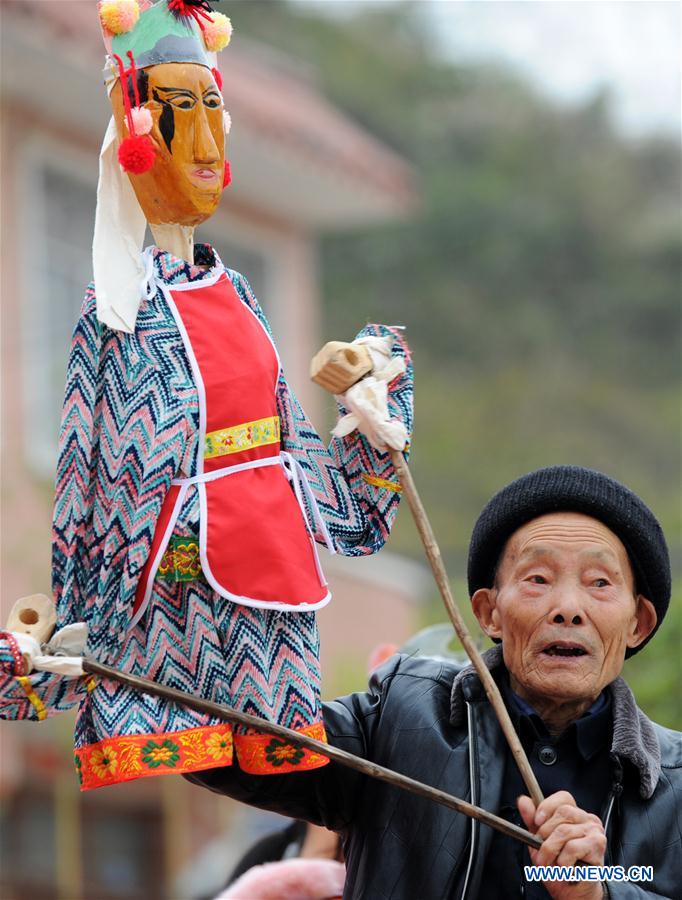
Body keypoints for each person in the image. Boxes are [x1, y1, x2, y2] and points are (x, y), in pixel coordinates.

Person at [0, 0, 412, 790]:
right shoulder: (115, 310)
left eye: (213, 109)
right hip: (170, 570)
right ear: (135, 137)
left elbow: (289, 432)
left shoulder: (240, 290)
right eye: (178, 111)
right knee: (193, 746)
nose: (205, 138)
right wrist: (72, 595)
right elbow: (88, 465)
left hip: (270, 546)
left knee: (293, 768)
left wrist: (369, 403)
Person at [187, 465, 681, 899]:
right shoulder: (399, 716)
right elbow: (225, 745)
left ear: (637, 622)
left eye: (600, 583)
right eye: (538, 579)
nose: (568, 608)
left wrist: (598, 895)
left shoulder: (674, 784)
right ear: (488, 613)